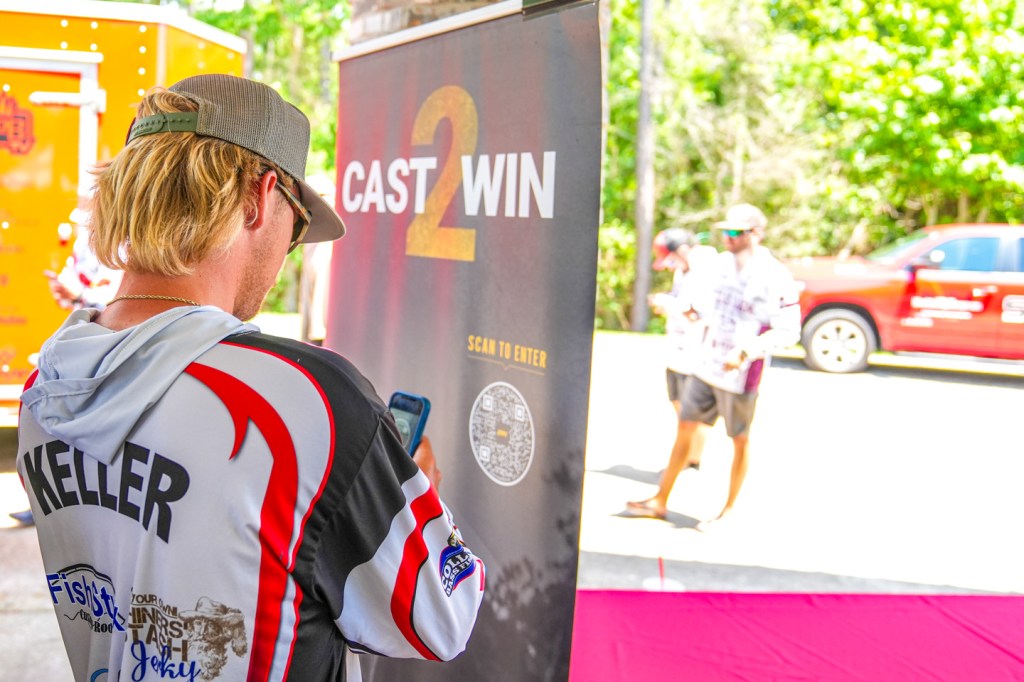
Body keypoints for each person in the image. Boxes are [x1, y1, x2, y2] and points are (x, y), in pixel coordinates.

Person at [16, 74, 484, 682]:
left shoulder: (45, 387)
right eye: (298, 228)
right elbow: (443, 619)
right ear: (260, 197)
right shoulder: (309, 402)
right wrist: (417, 498)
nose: (289, 251)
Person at [626, 204, 800, 526]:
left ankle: (729, 510)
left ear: (756, 234)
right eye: (726, 231)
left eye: (736, 232)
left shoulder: (775, 275)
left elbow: (789, 331)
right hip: (706, 364)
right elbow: (703, 308)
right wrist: (683, 309)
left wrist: (748, 350)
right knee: (686, 426)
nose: (728, 237)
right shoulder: (719, 266)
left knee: (739, 439)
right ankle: (660, 499)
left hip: (741, 374)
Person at [647, 228, 716, 474]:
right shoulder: (682, 272)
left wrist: (673, 304)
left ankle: (691, 462)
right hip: (677, 352)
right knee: (678, 406)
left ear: (683, 250)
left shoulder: (707, 271)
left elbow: (701, 315)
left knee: (694, 416)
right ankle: (686, 459)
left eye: (671, 260)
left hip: (697, 355)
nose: (669, 267)